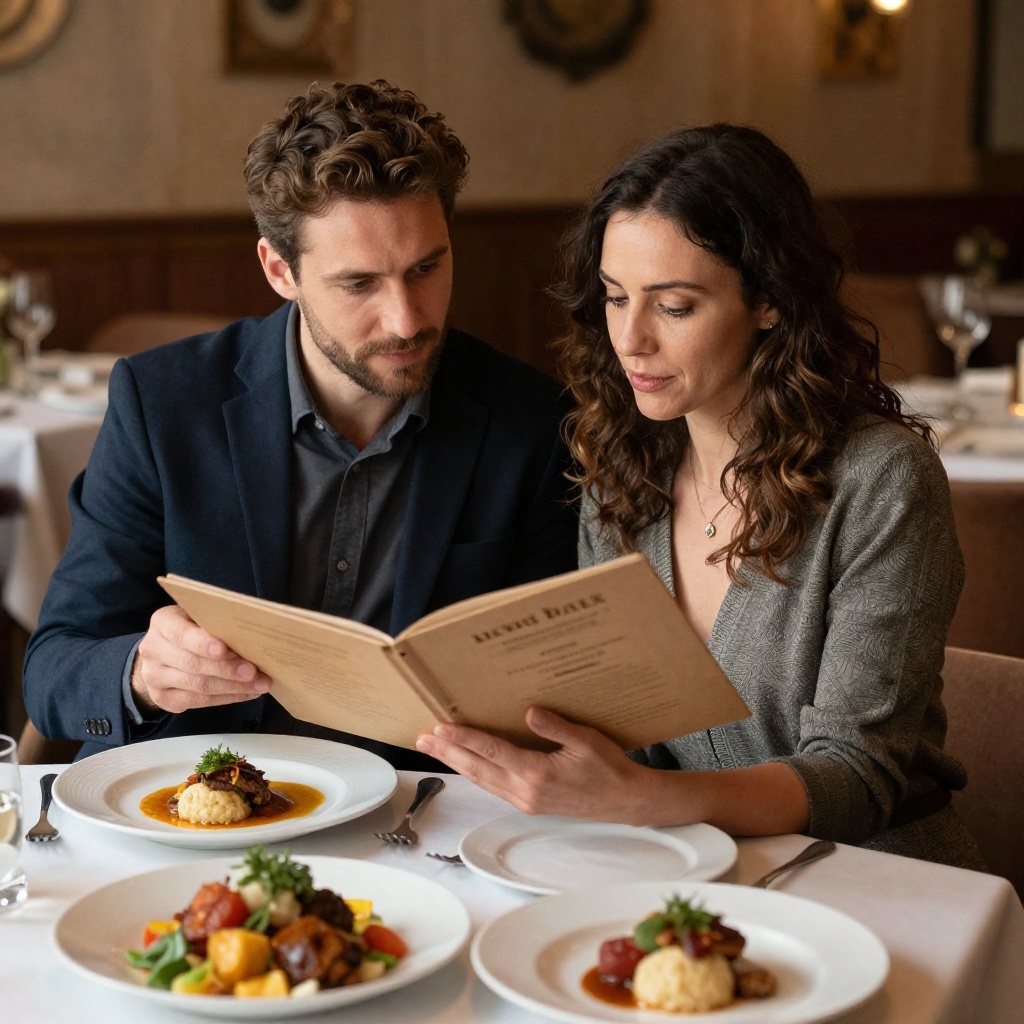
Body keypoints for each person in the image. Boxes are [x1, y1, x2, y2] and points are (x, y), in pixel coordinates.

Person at [416, 123, 984, 867]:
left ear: (771, 301)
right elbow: (626, 735)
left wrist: (643, 801)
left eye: (674, 306)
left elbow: (857, 777)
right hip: (685, 868)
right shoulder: (621, 471)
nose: (631, 339)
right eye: (616, 299)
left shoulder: (882, 482)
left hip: (874, 879)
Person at [23, 80, 577, 765]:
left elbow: (554, 690)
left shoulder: (529, 423)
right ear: (279, 269)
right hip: (185, 808)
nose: (406, 319)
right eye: (359, 283)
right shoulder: (162, 403)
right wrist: (141, 670)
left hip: (419, 822)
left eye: (426, 268)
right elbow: (54, 671)